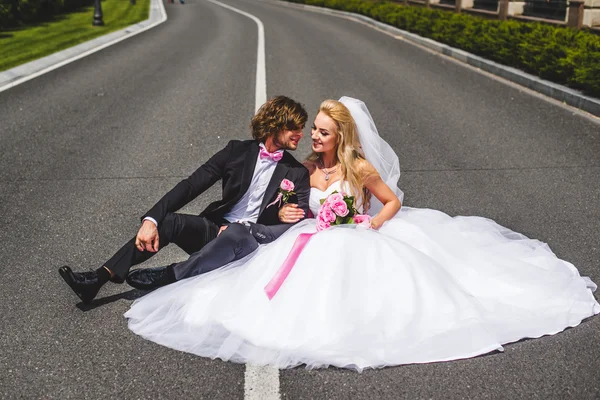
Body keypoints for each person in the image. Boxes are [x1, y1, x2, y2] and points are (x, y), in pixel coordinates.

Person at [124, 97, 599, 372]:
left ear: (342, 136)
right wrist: (287, 210)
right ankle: (169, 273)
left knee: (356, 302)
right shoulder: (304, 168)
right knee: (257, 279)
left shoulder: (359, 166)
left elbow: (391, 201)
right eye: (314, 131)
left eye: (324, 133)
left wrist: (370, 222)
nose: (315, 137)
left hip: (355, 237)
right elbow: (281, 197)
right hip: (309, 236)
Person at [59, 96, 311, 304]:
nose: (300, 134)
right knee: (168, 223)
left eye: (301, 128)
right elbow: (191, 186)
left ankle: (169, 274)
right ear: (275, 124)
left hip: (253, 246)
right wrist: (151, 219)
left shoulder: (297, 173)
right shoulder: (237, 152)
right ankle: (98, 278)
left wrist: (249, 227)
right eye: (294, 127)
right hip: (216, 232)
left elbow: (292, 228)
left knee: (235, 232)